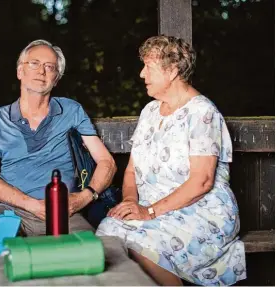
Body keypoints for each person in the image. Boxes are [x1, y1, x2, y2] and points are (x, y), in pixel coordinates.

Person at [96, 35, 246, 286]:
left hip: (199, 211)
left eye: (149, 67)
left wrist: (150, 211)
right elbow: (132, 170)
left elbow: (202, 181)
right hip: (151, 207)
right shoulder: (150, 111)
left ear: (174, 70)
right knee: (107, 233)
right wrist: (131, 200)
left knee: (142, 244)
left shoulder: (201, 113)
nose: (142, 74)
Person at [0, 39, 116, 242]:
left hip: (62, 211)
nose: (41, 71)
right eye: (34, 63)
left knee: (87, 250)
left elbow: (107, 162)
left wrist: (83, 198)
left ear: (56, 79)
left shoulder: (71, 111)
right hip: (9, 210)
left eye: (49, 67)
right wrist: (31, 205)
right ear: (20, 72)